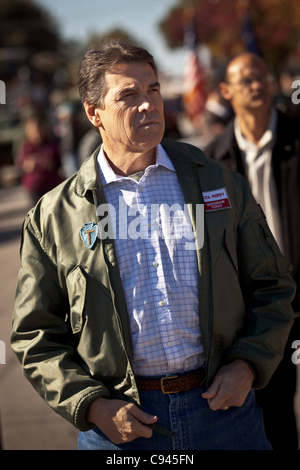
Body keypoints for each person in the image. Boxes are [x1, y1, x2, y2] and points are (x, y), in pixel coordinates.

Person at [11, 40, 296, 451]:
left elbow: (273, 284)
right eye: (128, 95)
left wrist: (248, 365)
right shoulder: (54, 216)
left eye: (154, 89)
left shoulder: (217, 182)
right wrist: (92, 406)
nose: (148, 104)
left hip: (226, 417)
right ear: (95, 113)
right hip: (120, 429)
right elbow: (35, 333)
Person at [204, 52, 300, 450]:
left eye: (262, 76)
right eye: (245, 80)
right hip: (260, 308)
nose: (256, 85)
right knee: (274, 410)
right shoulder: (211, 163)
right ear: (226, 92)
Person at [15, 111, 64, 206]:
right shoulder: (26, 147)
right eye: (34, 131)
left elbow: (59, 163)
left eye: (39, 130)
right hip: (34, 186)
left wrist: (48, 164)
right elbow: (20, 166)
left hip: (51, 184)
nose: (37, 133)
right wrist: (28, 165)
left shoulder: (51, 144)